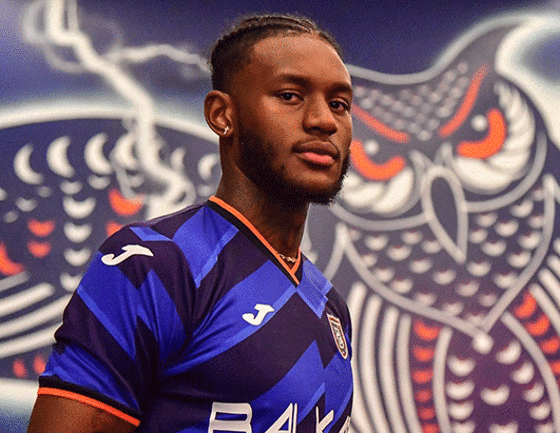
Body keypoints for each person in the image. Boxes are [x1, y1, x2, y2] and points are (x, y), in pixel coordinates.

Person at [26, 13, 354, 433]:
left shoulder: (329, 305)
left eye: (339, 104)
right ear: (222, 115)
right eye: (290, 96)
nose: (324, 120)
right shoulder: (151, 265)